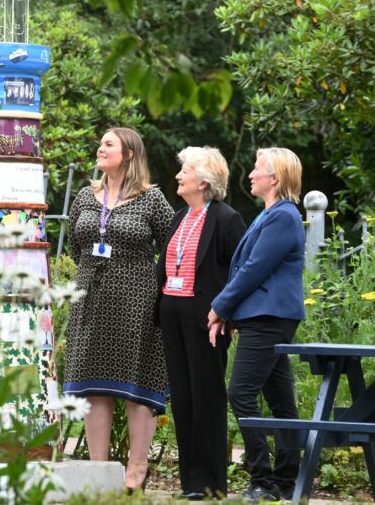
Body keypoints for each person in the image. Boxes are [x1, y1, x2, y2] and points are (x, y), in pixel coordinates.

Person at [63, 127, 174, 492]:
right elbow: (74, 247)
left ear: (128, 154)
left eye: (108, 144)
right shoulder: (85, 196)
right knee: (94, 388)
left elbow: (171, 247)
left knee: (136, 385)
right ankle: (100, 475)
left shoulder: (152, 199)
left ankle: (134, 475)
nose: (100, 148)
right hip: (90, 300)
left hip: (136, 303)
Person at [208, 147, 305, 502]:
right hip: (264, 317)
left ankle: (263, 479)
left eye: (256, 169)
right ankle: (285, 480)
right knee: (281, 401)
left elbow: (254, 270)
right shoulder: (270, 215)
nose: (250, 174)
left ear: (274, 177)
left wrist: (219, 307)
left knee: (241, 393)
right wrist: (231, 313)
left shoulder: (283, 216)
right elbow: (246, 269)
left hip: (270, 318)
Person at [154, 147, 246, 500]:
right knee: (184, 399)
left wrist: (226, 314)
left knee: (206, 397)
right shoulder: (180, 217)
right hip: (173, 315)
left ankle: (211, 485)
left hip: (206, 320)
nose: (178, 176)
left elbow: (238, 273)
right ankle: (190, 483)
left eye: (185, 170)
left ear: (204, 181)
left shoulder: (226, 218)